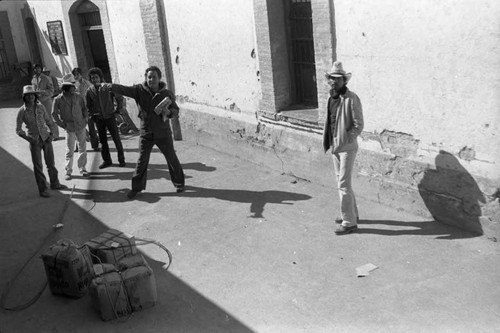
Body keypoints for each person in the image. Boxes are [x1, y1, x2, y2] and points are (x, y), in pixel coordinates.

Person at [104, 65, 185, 199]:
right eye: (148, 77)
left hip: (163, 133)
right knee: (142, 161)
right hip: (146, 133)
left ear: (159, 78)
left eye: (154, 77)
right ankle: (136, 188)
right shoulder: (139, 91)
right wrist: (111, 86)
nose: (151, 80)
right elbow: (125, 89)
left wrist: (169, 112)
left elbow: (175, 110)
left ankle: (179, 183)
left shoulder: (166, 94)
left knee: (171, 158)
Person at [322, 61, 364, 235]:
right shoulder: (331, 98)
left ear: (344, 81)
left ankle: (349, 223)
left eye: (337, 79)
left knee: (343, 185)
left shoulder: (351, 98)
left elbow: (358, 124)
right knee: (343, 183)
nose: (334, 81)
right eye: (332, 78)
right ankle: (352, 214)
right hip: (335, 146)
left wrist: (347, 138)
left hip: (346, 147)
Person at [16, 85, 66, 197]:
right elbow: (18, 130)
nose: (30, 97)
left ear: (35, 95)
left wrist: (52, 135)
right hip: (34, 141)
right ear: (24, 97)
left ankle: (55, 183)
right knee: (38, 166)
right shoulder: (21, 111)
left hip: (46, 138)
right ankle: (43, 189)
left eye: (32, 94)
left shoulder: (40, 107)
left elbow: (49, 121)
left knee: (51, 163)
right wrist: (29, 139)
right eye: (28, 95)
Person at [85, 67, 126, 169]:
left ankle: (121, 160)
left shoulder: (108, 87)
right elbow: (88, 106)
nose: (94, 80)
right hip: (99, 119)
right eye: (92, 78)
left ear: (100, 77)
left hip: (110, 117)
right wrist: (92, 116)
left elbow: (119, 98)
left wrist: (117, 111)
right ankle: (107, 161)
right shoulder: (89, 91)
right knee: (103, 141)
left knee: (116, 139)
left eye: (96, 77)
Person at [52, 74, 89, 180]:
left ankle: (82, 168)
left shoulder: (78, 97)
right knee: (70, 149)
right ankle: (68, 171)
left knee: (82, 147)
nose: (74, 87)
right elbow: (54, 114)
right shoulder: (58, 99)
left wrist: (85, 119)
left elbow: (84, 109)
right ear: (67, 87)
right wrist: (61, 124)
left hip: (80, 125)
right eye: (72, 85)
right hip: (69, 127)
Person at [72, 67, 99, 151]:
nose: (76, 76)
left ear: (81, 75)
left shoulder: (87, 83)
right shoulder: (73, 85)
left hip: (87, 108)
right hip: (77, 109)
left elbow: (93, 94)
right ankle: (77, 146)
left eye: (77, 74)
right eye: (75, 75)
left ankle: (95, 145)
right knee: (76, 128)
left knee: (91, 127)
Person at [31, 63, 60, 140]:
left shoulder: (46, 78)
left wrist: (42, 92)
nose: (37, 70)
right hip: (38, 101)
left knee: (49, 118)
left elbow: (51, 91)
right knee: (42, 119)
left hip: (47, 100)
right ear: (33, 70)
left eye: (39, 68)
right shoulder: (33, 79)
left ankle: (55, 135)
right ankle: (48, 134)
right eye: (36, 69)